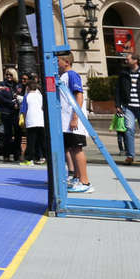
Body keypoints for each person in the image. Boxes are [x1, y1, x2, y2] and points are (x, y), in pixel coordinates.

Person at [58, 54, 92, 193]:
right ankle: (77, 177)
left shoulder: (72, 75)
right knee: (71, 148)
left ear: (66, 62)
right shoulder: (62, 76)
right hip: (66, 120)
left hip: (73, 119)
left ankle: (85, 181)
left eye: (57, 60)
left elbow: (79, 95)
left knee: (77, 148)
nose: (55, 63)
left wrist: (75, 117)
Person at [113, 53, 140, 166]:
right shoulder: (123, 74)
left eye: (128, 59)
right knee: (129, 129)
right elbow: (117, 90)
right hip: (128, 106)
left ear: (135, 60)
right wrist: (118, 105)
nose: (126, 61)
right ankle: (130, 155)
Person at [0, 70, 21, 163]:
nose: (8, 76)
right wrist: (12, 104)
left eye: (10, 74)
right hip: (6, 112)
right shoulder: (2, 84)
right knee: (7, 134)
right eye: (7, 74)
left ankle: (17, 155)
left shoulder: (18, 85)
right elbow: (1, 98)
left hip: (16, 113)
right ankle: (6, 155)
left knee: (18, 134)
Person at [20, 76, 46, 165]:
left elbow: (24, 110)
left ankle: (29, 159)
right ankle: (43, 157)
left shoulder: (27, 96)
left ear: (27, 87)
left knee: (31, 141)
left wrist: (24, 121)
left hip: (31, 121)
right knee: (41, 141)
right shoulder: (41, 96)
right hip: (41, 121)